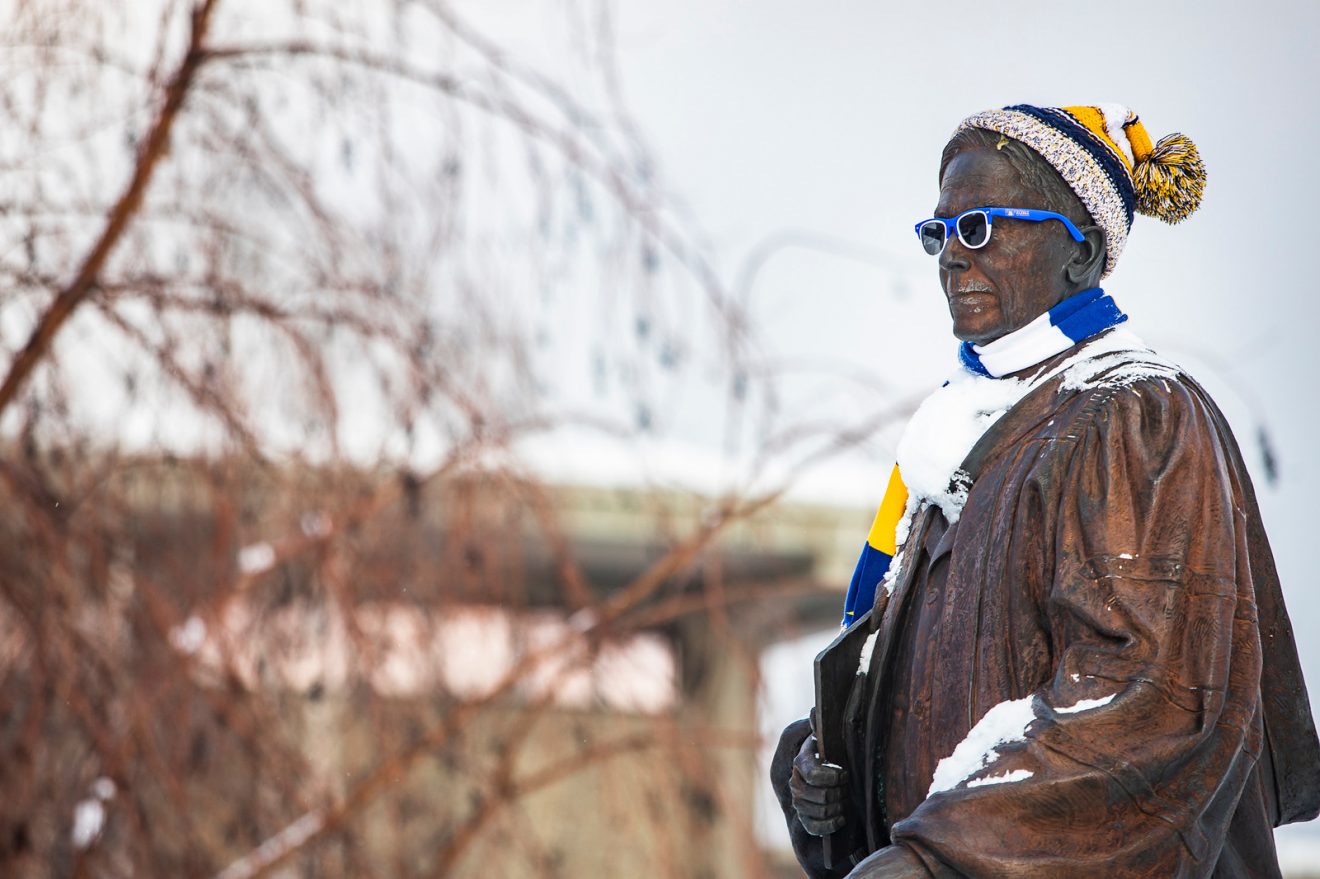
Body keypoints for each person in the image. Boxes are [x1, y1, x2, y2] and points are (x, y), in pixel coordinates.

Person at [770, 103, 1320, 878]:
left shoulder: (1135, 414)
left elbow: (1144, 699)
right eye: (941, 233)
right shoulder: (953, 442)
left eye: (983, 227)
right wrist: (826, 771)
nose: (953, 259)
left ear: (1081, 251)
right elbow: (926, 701)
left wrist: (945, 858)